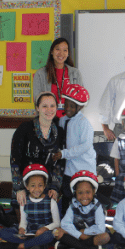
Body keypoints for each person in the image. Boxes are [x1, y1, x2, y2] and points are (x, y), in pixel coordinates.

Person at [1, 91, 64, 226]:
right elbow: (15, 161)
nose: (49, 110)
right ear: (37, 108)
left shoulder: (60, 132)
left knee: (49, 224)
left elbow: (60, 163)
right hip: (26, 183)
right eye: (44, 106)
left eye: (52, 106)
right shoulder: (24, 129)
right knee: (23, 226)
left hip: (46, 183)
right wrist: (19, 188)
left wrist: (55, 187)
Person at [0, 164, 60, 249]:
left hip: (44, 233)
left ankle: (19, 246)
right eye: (33, 185)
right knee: (3, 233)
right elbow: (23, 221)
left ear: (45, 185)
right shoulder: (25, 201)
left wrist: (44, 229)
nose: (37, 189)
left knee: (50, 236)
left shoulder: (51, 201)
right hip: (29, 233)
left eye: (40, 185)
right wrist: (22, 229)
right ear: (27, 186)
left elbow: (57, 223)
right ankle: (35, 245)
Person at [52, 84, 96, 214]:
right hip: (69, 169)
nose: (67, 108)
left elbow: (85, 146)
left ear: (80, 107)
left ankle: (87, 220)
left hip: (84, 168)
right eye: (66, 104)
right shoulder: (62, 120)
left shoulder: (84, 123)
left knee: (84, 196)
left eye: (72, 106)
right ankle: (66, 223)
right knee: (67, 195)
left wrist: (63, 153)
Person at [54, 170, 110, 249]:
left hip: (92, 234)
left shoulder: (97, 206)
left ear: (94, 191)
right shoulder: (73, 206)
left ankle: (69, 245)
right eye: (80, 193)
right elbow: (65, 224)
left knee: (105, 237)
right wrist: (80, 235)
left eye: (88, 192)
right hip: (77, 233)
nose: (84, 196)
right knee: (58, 232)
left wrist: (85, 232)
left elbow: (100, 228)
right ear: (75, 193)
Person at [33, 37, 83, 119]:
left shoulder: (75, 73)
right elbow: (37, 100)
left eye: (65, 50)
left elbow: (80, 99)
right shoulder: (40, 74)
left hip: (70, 119)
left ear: (68, 53)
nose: (61, 53)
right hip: (48, 119)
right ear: (52, 52)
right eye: (58, 49)